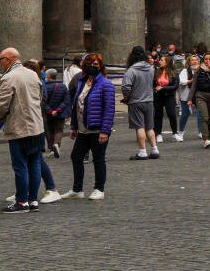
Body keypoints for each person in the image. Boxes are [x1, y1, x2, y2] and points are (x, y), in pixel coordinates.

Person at [0, 47, 45, 212]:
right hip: (37, 126)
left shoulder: (9, 77)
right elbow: (41, 97)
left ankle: (21, 202)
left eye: (0, 59)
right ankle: (33, 200)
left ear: (8, 59)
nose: (0, 63)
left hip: (19, 127)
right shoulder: (32, 74)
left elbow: (2, 104)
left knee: (20, 165)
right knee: (34, 163)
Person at [59, 52, 114, 200]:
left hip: (98, 129)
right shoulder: (81, 82)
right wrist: (74, 127)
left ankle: (99, 189)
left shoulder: (106, 84)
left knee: (98, 158)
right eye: (89, 64)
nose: (92, 66)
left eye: (95, 64)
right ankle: (77, 190)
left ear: (101, 66)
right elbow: (77, 105)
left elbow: (109, 109)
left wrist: (105, 130)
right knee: (76, 156)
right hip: (83, 129)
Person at [120, 46, 157, 160]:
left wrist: (127, 97)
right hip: (149, 100)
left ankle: (142, 151)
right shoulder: (151, 69)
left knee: (139, 127)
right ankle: (155, 149)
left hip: (136, 101)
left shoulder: (131, 70)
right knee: (149, 127)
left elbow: (126, 87)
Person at [192, 55, 210, 148]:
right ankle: (205, 139)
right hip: (200, 95)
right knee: (204, 117)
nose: (207, 61)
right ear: (203, 60)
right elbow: (194, 85)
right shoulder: (198, 70)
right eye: (205, 59)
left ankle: (208, 138)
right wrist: (189, 99)